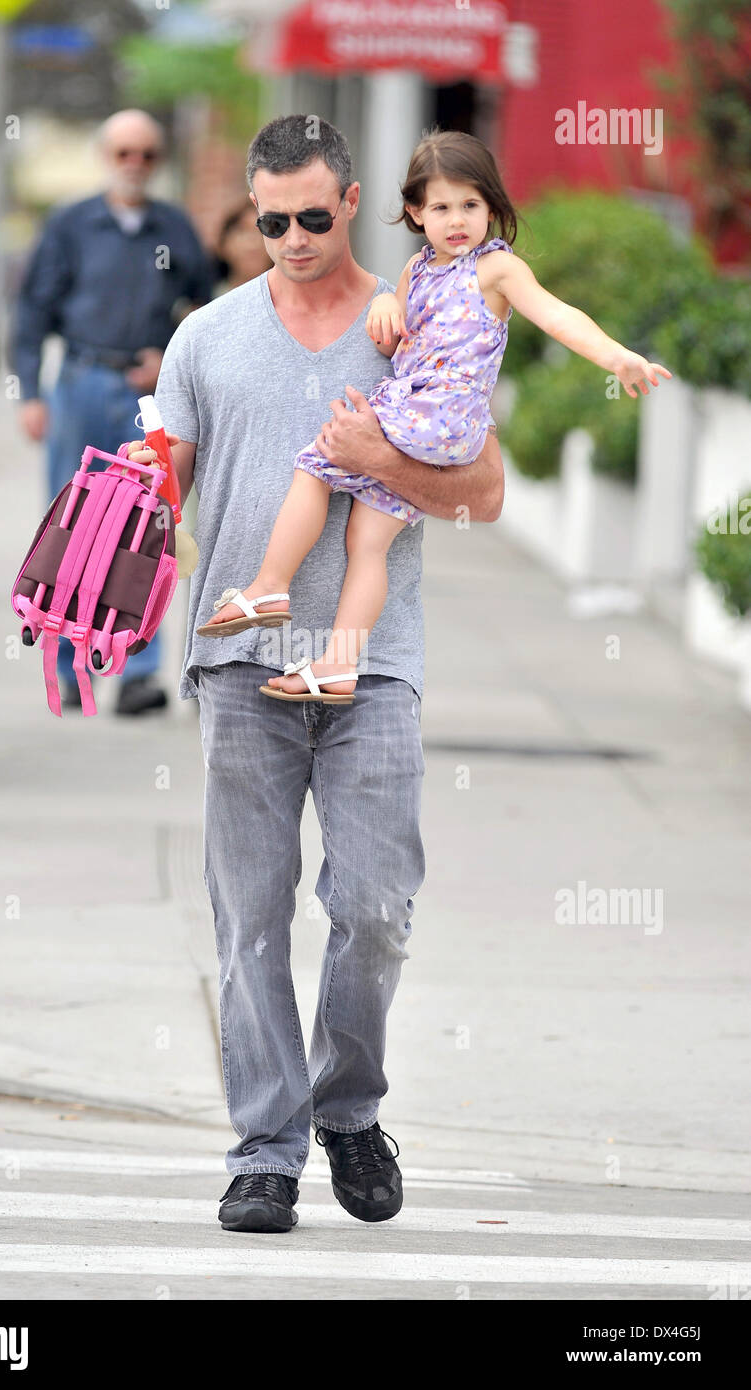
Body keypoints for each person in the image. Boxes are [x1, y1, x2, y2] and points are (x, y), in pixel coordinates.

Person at [126, 114, 503, 1235]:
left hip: (372, 663)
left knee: (376, 904)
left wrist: (377, 458)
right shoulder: (204, 337)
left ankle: (347, 1108)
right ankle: (265, 1148)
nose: (289, 236)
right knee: (248, 917)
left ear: (351, 204)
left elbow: (482, 493)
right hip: (240, 660)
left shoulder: (422, 318)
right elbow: (164, 490)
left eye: (310, 215)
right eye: (267, 218)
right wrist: (114, 519)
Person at [196, 130, 672, 700]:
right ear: (416, 212)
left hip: (434, 415)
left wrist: (616, 357)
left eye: (471, 205)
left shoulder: (496, 268)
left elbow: (555, 313)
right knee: (367, 544)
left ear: (492, 208)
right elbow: (395, 328)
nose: (457, 220)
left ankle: (270, 586)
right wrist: (386, 302)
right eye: (441, 207)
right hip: (429, 421)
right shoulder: (418, 270)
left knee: (315, 460)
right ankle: (339, 664)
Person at [12, 108, 214, 715]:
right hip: (78, 383)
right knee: (74, 529)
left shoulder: (175, 228)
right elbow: (31, 312)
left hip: (146, 397)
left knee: (148, 531)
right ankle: (73, 668)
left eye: (147, 154)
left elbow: (203, 313)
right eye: (124, 153)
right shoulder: (70, 224)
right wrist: (29, 394)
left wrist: (169, 356)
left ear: (158, 161)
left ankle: (134, 672)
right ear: (106, 156)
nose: (134, 164)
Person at [213, 199, 272, 295]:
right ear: (224, 244)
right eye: (243, 232)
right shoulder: (204, 300)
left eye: (262, 231)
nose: (253, 242)